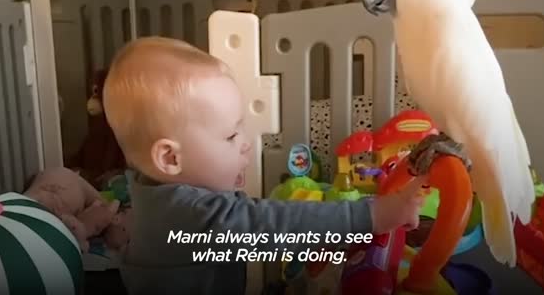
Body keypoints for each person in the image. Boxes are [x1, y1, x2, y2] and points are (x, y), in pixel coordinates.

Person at [102, 36, 427, 295]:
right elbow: (273, 225)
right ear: (171, 159)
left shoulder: (153, 191)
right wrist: (373, 215)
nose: (245, 142)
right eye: (230, 135)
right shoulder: (193, 215)